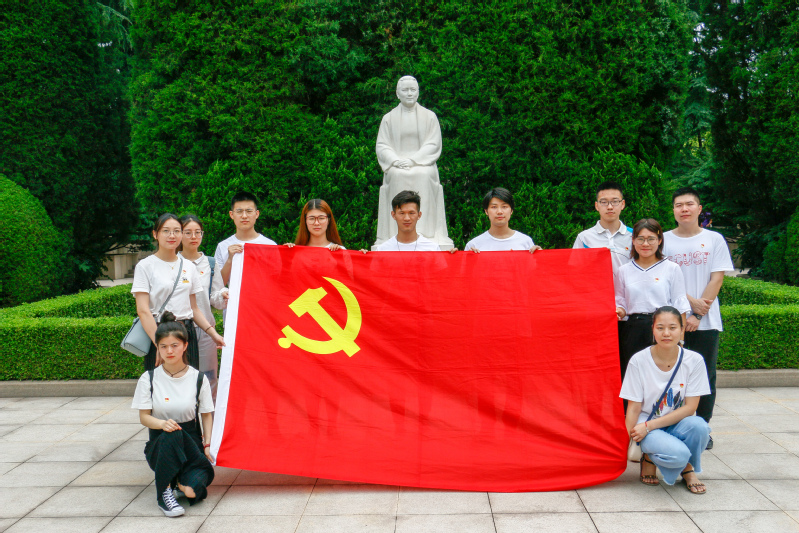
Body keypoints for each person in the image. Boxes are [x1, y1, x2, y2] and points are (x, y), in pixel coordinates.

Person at [663, 187, 734, 450]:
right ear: (673, 210)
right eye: (679, 205)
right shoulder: (663, 240)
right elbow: (661, 277)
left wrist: (696, 314)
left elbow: (717, 278)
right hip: (671, 323)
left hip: (706, 322)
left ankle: (702, 428)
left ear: (699, 208)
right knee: (669, 375)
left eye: (689, 204)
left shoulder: (714, 239)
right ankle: (670, 426)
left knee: (705, 376)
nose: (684, 209)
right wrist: (688, 306)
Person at [131, 312, 215, 517]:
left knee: (194, 490)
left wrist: (207, 445)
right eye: (163, 346)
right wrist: (162, 424)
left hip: (191, 445)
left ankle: (178, 482)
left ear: (185, 345)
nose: (169, 351)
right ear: (158, 348)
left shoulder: (198, 378)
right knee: (172, 432)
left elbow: (206, 414)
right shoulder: (149, 378)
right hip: (161, 444)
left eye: (174, 345)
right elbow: (144, 417)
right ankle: (164, 493)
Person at [621, 306, 711, 493]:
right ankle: (654, 457)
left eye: (672, 327)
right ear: (653, 330)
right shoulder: (639, 361)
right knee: (678, 455)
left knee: (700, 427)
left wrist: (650, 426)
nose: (666, 333)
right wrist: (626, 442)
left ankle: (687, 469)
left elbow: (690, 408)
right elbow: (634, 408)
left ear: (682, 329)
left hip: (672, 422)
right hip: (645, 424)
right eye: (660, 328)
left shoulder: (694, 360)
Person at [132, 214, 225, 371]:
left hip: (186, 333)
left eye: (176, 231)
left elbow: (194, 309)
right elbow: (143, 310)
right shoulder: (145, 266)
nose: (172, 235)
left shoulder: (189, 266)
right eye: (166, 231)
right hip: (159, 332)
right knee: (160, 382)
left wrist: (213, 334)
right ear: (155, 234)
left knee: (190, 382)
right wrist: (160, 345)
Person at [374, 76, 453, 248]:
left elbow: (433, 143)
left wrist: (413, 160)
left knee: (423, 174)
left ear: (418, 92)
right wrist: (395, 160)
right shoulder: (388, 119)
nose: (409, 93)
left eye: (413, 90)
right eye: (405, 90)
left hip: (422, 164)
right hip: (397, 165)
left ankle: (425, 232)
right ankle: (396, 233)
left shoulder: (429, 117)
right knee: (396, 174)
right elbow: (382, 145)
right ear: (397, 93)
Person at [615, 219, 690, 379]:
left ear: (659, 240)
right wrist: (620, 310)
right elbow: (620, 301)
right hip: (633, 330)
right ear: (633, 240)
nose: (645, 244)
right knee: (633, 377)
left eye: (651, 239)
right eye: (640, 239)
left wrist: (680, 341)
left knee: (661, 376)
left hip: (663, 329)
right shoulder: (624, 270)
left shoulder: (671, 268)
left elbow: (680, 305)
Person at [179, 214, 228, 399]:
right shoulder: (173, 263)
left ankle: (210, 416)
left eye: (197, 232)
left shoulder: (210, 263)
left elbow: (215, 299)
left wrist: (223, 295)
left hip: (206, 331)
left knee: (209, 378)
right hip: (179, 328)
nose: (194, 237)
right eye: (188, 232)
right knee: (181, 377)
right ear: (179, 234)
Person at [215, 191, 277, 287]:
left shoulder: (270, 246)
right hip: (234, 296)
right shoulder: (223, 246)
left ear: (257, 214)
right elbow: (218, 285)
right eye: (239, 211)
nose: (244, 216)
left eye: (249, 211)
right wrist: (230, 260)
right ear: (231, 214)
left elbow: (277, 279)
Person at [573, 181, 633, 273]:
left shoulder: (635, 236)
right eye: (604, 202)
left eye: (615, 201)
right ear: (596, 205)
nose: (610, 207)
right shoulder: (584, 238)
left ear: (623, 204)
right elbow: (575, 271)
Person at [464, 187, 542, 253]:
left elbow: (534, 266)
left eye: (504, 207)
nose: (499, 212)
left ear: (511, 210)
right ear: (486, 211)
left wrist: (541, 256)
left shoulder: (525, 242)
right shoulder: (474, 245)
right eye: (494, 207)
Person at [371, 190, 443, 252]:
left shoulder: (432, 249)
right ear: (393, 215)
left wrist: (450, 257)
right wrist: (364, 257)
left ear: (419, 215)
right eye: (402, 213)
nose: (407, 218)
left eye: (411, 213)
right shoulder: (383, 250)